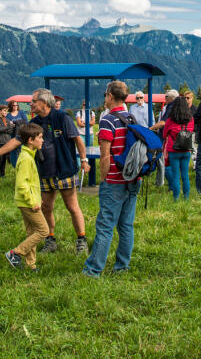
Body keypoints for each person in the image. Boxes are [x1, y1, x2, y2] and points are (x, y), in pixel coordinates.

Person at [0, 89, 90, 254]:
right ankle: (50, 239)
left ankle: (81, 240)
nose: (30, 104)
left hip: (65, 169)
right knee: (46, 207)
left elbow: (77, 139)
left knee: (72, 206)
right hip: (44, 171)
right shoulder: (34, 122)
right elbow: (16, 140)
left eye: (33, 101)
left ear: (44, 102)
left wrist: (83, 160)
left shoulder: (63, 118)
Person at [83, 80, 141, 277]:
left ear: (109, 96)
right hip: (132, 179)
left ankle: (93, 269)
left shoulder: (107, 120)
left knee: (105, 225)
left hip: (115, 180)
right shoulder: (131, 118)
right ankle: (122, 266)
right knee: (126, 225)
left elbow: (105, 155)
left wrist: (103, 179)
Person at [4, 122, 48, 271]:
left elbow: (30, 183)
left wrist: (37, 197)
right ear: (30, 140)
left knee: (32, 233)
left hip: (29, 201)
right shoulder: (25, 159)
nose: (42, 140)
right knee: (43, 231)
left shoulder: (29, 156)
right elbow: (22, 184)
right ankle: (15, 252)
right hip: (28, 203)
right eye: (40, 137)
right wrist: (32, 201)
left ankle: (31, 265)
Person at [160, 94, 194, 200]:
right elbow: (191, 131)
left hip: (173, 149)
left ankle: (176, 197)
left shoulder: (170, 120)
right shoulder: (190, 119)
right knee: (185, 175)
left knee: (175, 175)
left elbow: (164, 134)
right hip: (186, 149)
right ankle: (186, 197)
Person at [0, 105, 17, 178]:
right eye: (4, 110)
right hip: (0, 141)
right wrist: (9, 126)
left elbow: (10, 131)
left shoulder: (6, 120)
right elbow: (0, 129)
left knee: (4, 159)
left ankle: (2, 174)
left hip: (6, 141)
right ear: (0, 111)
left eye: (6, 111)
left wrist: (7, 128)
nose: (5, 112)